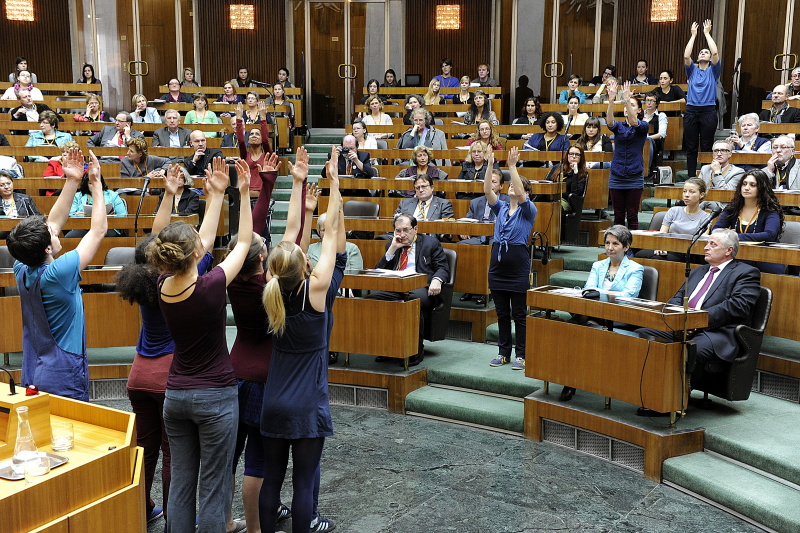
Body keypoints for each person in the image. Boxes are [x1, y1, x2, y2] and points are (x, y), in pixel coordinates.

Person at [149, 157, 253, 533]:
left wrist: (217, 195)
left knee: (180, 485)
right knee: (213, 488)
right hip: (215, 397)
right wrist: (239, 192)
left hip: (176, 397)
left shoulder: (163, 285)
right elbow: (244, 241)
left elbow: (203, 241)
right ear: (195, 255)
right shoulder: (210, 287)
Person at [115, 168, 209, 527]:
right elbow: (164, 241)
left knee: (143, 451)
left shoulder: (141, 282)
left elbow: (153, 239)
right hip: (168, 376)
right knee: (174, 454)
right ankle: (175, 518)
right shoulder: (171, 283)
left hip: (138, 375)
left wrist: (168, 196)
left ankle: (138, 510)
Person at [258, 152, 344, 533]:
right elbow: (330, 240)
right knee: (304, 485)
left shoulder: (269, 292)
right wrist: (335, 184)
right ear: (302, 266)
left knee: (272, 481)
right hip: (308, 403)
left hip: (274, 402)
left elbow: (291, 238)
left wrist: (298, 188)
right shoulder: (316, 291)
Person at [226, 150, 311, 533]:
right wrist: (297, 184)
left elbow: (250, 234)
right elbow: (291, 239)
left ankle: (225, 521)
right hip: (265, 379)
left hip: (232, 372)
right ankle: (257, 530)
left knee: (228, 456)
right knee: (257, 461)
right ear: (264, 260)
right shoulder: (273, 289)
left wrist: (260, 188)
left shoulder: (228, 280)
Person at [7, 148, 108, 401]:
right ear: (48, 248)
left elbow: (51, 225)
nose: (56, 231)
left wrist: (72, 180)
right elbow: (98, 231)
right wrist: (95, 184)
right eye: (52, 234)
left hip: (32, 370)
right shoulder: (58, 273)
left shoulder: (20, 266)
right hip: (63, 374)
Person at [635, 229, 761, 398]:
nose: (706, 247)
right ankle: (647, 392)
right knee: (642, 335)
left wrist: (696, 322)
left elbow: (738, 306)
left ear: (729, 250)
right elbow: (676, 299)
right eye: (707, 243)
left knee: (688, 349)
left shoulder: (745, 272)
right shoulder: (697, 272)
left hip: (717, 332)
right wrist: (677, 322)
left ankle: (673, 401)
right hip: (683, 327)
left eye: (712, 244)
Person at [559, 225, 643, 401]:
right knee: (580, 325)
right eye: (607, 243)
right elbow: (589, 289)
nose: (610, 248)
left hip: (618, 317)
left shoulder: (636, 268)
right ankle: (570, 380)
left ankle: (569, 382)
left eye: (615, 244)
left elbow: (629, 295)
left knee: (573, 327)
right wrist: (600, 293)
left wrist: (599, 293)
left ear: (626, 247)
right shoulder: (598, 265)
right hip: (594, 313)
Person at [371, 213, 450, 367]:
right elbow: (378, 271)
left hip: (423, 288)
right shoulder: (392, 245)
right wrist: (392, 249)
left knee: (411, 301)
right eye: (397, 231)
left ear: (415, 229)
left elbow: (443, 268)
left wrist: (436, 280)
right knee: (374, 299)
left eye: (405, 230)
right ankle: (386, 348)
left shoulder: (430, 243)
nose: (401, 235)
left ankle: (415, 351)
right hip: (397, 288)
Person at [485, 147, 537, 371]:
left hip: (517, 267)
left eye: (517, 185)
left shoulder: (529, 210)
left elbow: (523, 196)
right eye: (510, 184)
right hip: (497, 267)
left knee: (519, 314)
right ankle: (503, 352)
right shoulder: (501, 207)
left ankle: (521, 354)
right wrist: (489, 165)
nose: (512, 187)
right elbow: (488, 191)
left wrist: (513, 166)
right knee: (501, 313)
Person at [712, 169, 785, 274]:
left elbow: (770, 235)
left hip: (766, 256)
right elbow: (716, 230)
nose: (746, 188)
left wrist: (736, 236)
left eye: (752, 185)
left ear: (761, 188)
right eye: (744, 184)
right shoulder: (733, 208)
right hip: (739, 254)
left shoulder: (770, 210)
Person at [606, 79, 649, 229]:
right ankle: (617, 247)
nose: (627, 108)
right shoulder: (619, 126)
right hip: (617, 175)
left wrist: (626, 98)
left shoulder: (644, 126)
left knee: (632, 215)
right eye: (625, 106)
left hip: (634, 175)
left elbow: (634, 122)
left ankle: (632, 248)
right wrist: (611, 100)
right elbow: (610, 122)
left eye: (631, 105)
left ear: (639, 110)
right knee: (618, 215)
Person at [635, 178, 708, 262]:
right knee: (639, 255)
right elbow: (662, 234)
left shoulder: (706, 217)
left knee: (658, 259)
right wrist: (660, 246)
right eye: (684, 191)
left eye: (692, 192)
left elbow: (700, 243)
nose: (686, 195)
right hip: (667, 248)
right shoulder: (673, 211)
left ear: (701, 195)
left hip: (687, 253)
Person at [683, 19, 721, 178]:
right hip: (691, 111)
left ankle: (705, 178)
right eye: (701, 52)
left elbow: (715, 53)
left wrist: (706, 34)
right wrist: (693, 36)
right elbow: (686, 55)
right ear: (697, 59)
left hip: (708, 112)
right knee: (691, 148)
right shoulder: (691, 70)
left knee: (706, 147)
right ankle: (692, 178)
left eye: (705, 52)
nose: (703, 53)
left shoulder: (713, 70)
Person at [67, 171, 128, 237]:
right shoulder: (77, 196)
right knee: (70, 237)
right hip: (84, 227)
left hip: (108, 227)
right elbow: (71, 216)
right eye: (90, 183)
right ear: (86, 184)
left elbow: (123, 215)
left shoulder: (113, 195)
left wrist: (112, 217)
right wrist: (80, 216)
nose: (94, 185)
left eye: (96, 182)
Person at [235, 101, 274, 193]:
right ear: (248, 139)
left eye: (257, 134)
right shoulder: (245, 155)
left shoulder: (267, 156)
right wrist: (239, 119)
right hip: (246, 195)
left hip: (262, 195)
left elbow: (265, 140)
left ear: (260, 139)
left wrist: (263, 118)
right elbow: (240, 141)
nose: (253, 136)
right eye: (251, 134)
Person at [697, 140, 745, 211]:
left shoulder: (738, 172)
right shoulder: (705, 169)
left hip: (723, 209)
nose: (719, 154)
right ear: (713, 154)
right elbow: (697, 190)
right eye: (716, 151)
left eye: (723, 150)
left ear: (730, 154)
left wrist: (717, 173)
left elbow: (725, 195)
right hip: (702, 206)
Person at [545, 144, 588, 213]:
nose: (573, 156)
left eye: (577, 154)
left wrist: (575, 173)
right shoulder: (557, 167)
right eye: (571, 154)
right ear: (567, 155)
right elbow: (546, 183)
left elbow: (575, 193)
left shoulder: (582, 174)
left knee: (555, 206)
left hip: (565, 201)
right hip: (551, 197)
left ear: (581, 157)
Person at [0, 170, 40, 239]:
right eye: (2, 185)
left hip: (24, 231)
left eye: (8, 183)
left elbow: (37, 217)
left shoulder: (25, 199)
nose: (6, 187)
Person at [642, 92, 668, 174]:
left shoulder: (661, 116)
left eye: (652, 101)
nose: (649, 103)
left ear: (656, 103)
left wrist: (647, 138)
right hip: (638, 141)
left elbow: (662, 133)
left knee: (647, 142)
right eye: (647, 100)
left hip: (653, 143)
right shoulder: (639, 115)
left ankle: (646, 171)